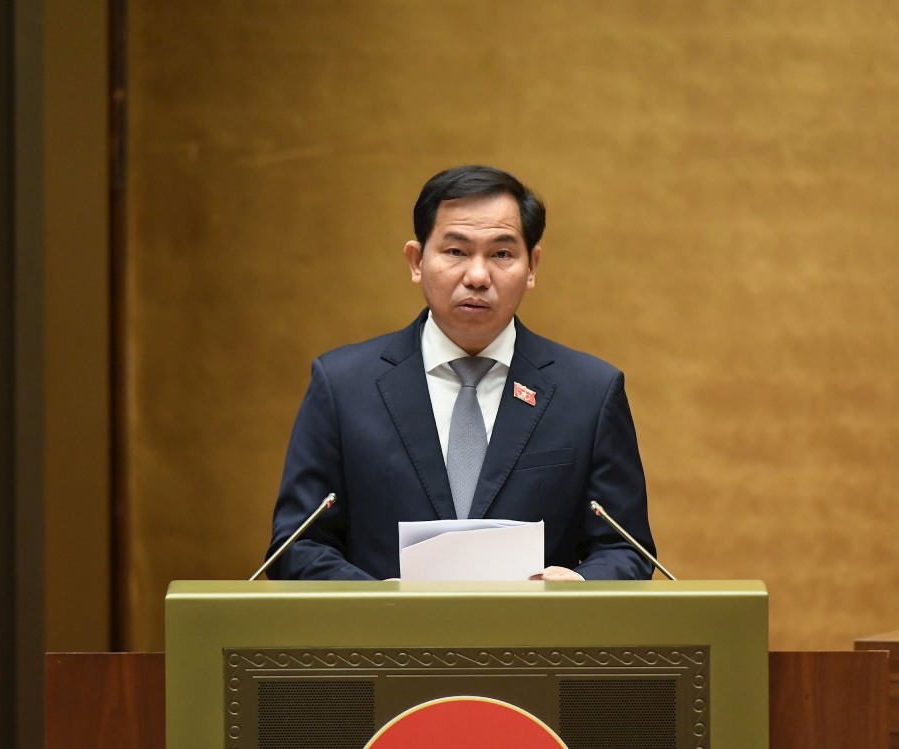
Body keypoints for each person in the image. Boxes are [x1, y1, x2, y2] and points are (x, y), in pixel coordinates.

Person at [266, 165, 656, 581]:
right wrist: (377, 603)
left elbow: (625, 548)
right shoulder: (343, 386)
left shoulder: (590, 393)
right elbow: (298, 546)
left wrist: (579, 585)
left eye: (502, 254)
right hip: (383, 643)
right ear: (416, 261)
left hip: (535, 642)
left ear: (532, 267)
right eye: (455, 252)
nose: (477, 276)